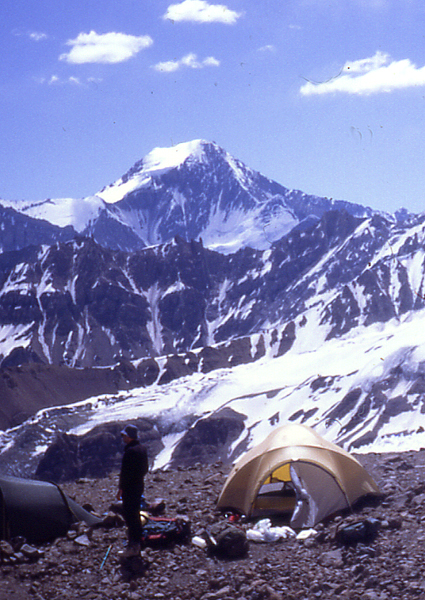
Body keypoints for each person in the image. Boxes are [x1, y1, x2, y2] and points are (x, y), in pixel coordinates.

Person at [117, 424, 149, 558]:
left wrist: (121, 488)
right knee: (135, 514)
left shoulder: (130, 452)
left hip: (130, 488)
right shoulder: (142, 449)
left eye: (124, 435)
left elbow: (125, 473)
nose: (123, 438)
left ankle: (133, 547)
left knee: (130, 517)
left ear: (129, 436)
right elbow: (145, 469)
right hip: (138, 486)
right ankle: (138, 544)